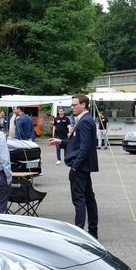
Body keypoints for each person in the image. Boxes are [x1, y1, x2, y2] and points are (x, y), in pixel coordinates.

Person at [49, 94, 100, 237]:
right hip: (83, 167)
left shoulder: (85, 121)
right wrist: (60, 142)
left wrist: (75, 166)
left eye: (74, 105)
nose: (72, 107)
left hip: (80, 167)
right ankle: (92, 231)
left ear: (83, 105)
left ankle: (80, 233)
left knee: (79, 200)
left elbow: (85, 148)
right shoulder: (85, 120)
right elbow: (76, 144)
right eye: (71, 105)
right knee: (89, 198)